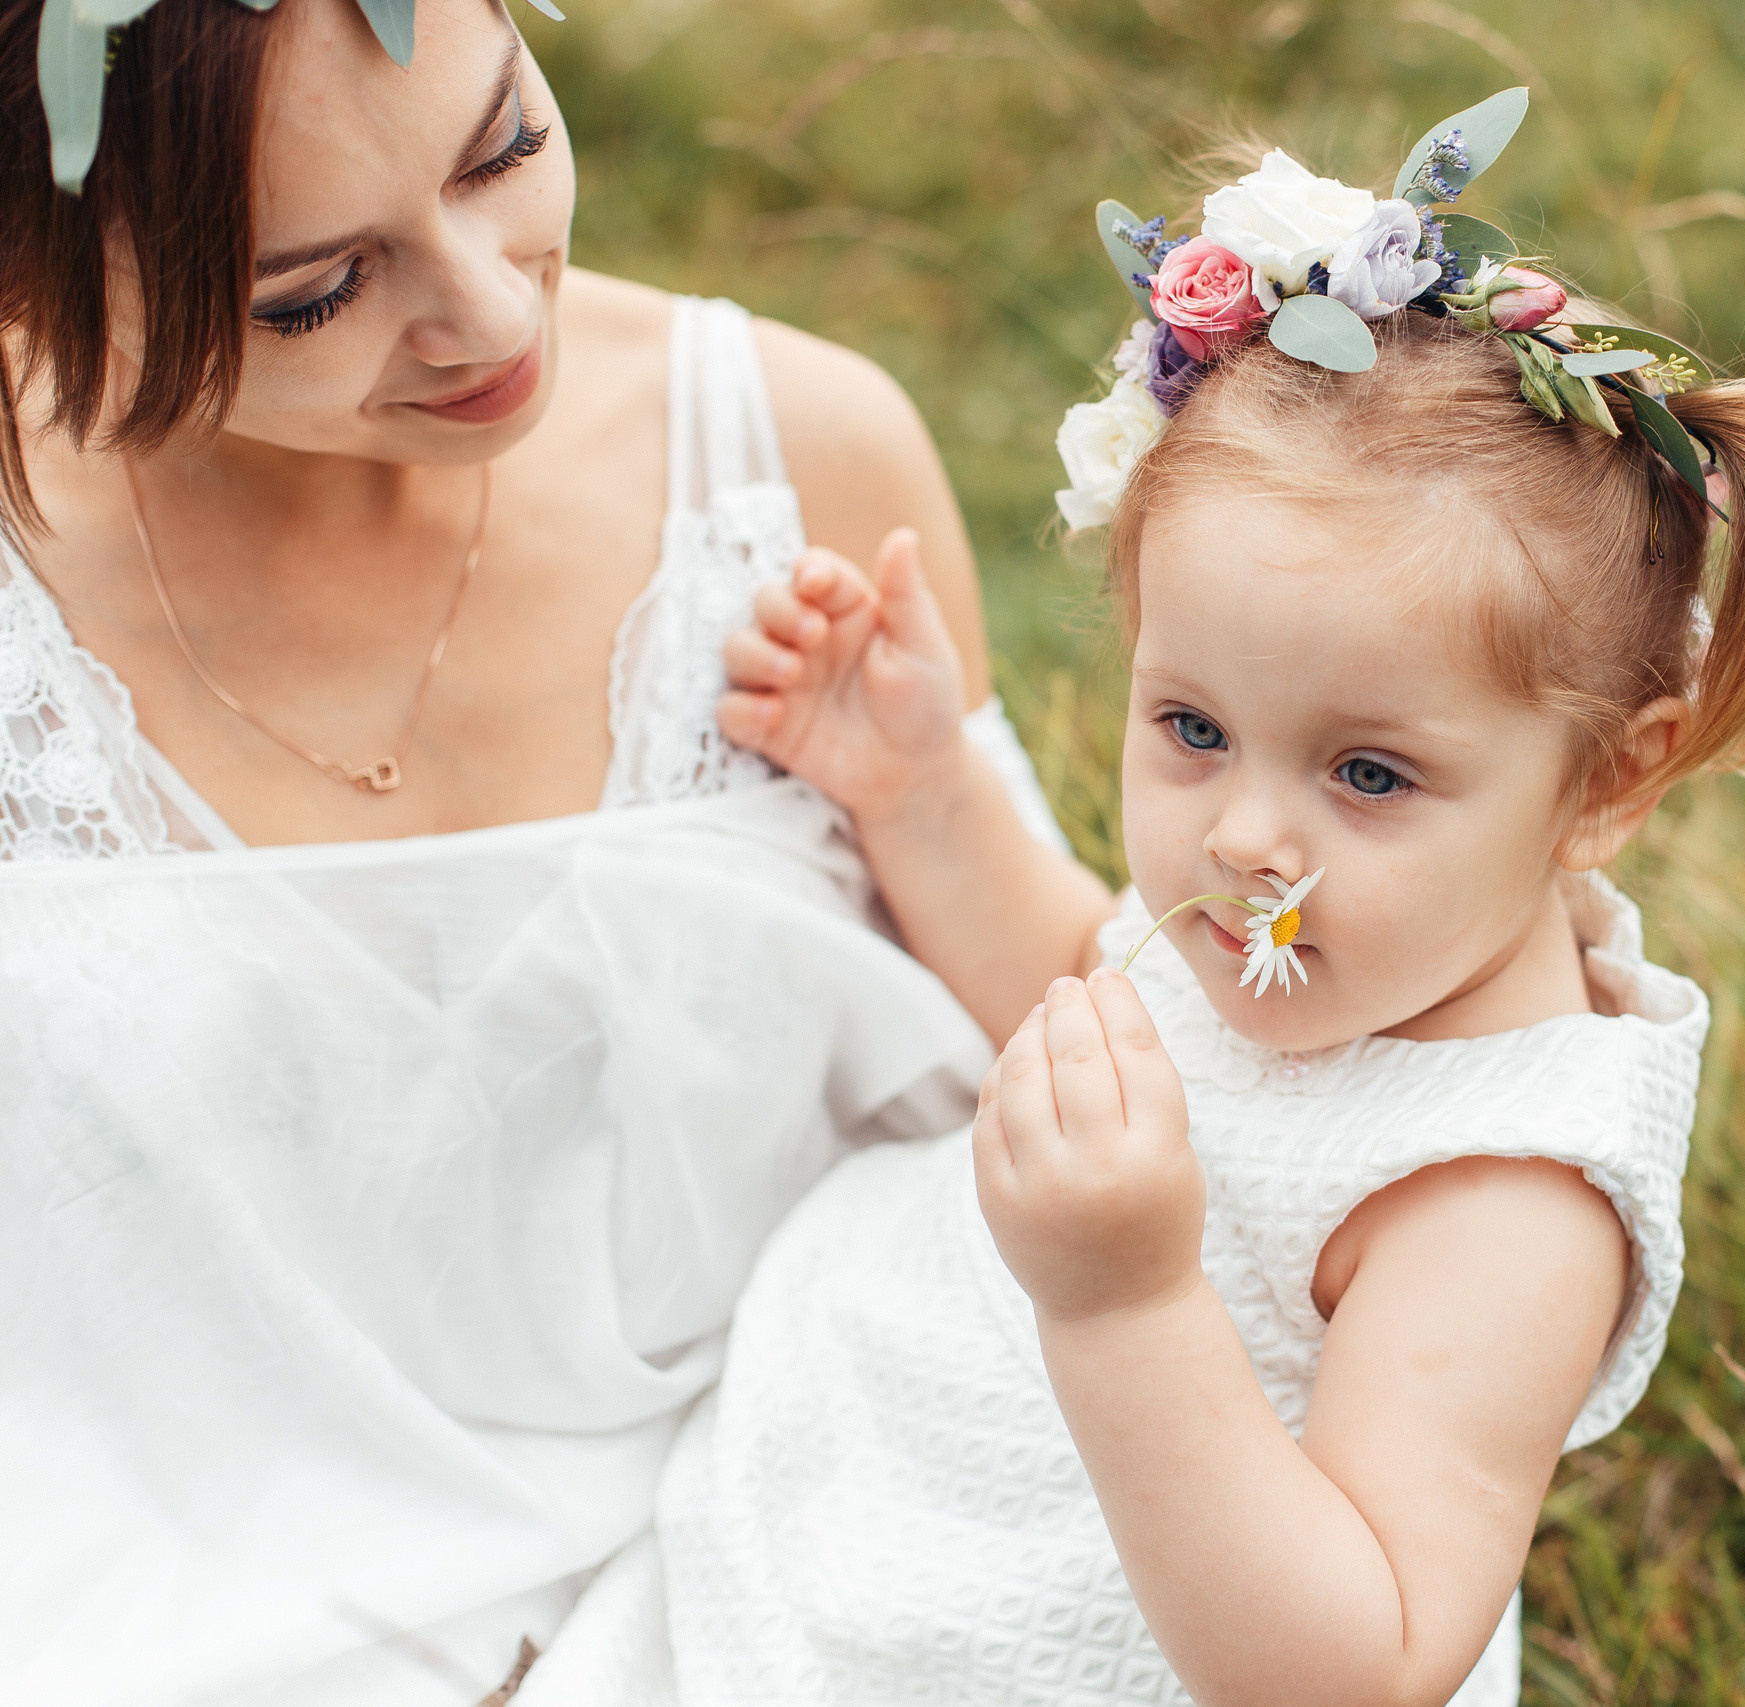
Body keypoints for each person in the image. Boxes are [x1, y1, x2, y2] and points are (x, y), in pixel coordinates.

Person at [670, 113, 1745, 1705]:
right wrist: (916, 787)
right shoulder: (1307, 938)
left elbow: (1359, 1664)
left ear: (1609, 783)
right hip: (878, 1450)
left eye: (1372, 776)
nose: (1249, 839)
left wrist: (1123, 1299)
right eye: (1191, 730)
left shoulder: (1500, 1195)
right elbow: (1075, 976)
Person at [0, 0, 1085, 1700]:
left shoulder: (795, 454)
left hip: (836, 1503)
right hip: (183, 1593)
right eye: (314, 291)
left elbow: (1069, 1027)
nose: (493, 308)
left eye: (502, 143)